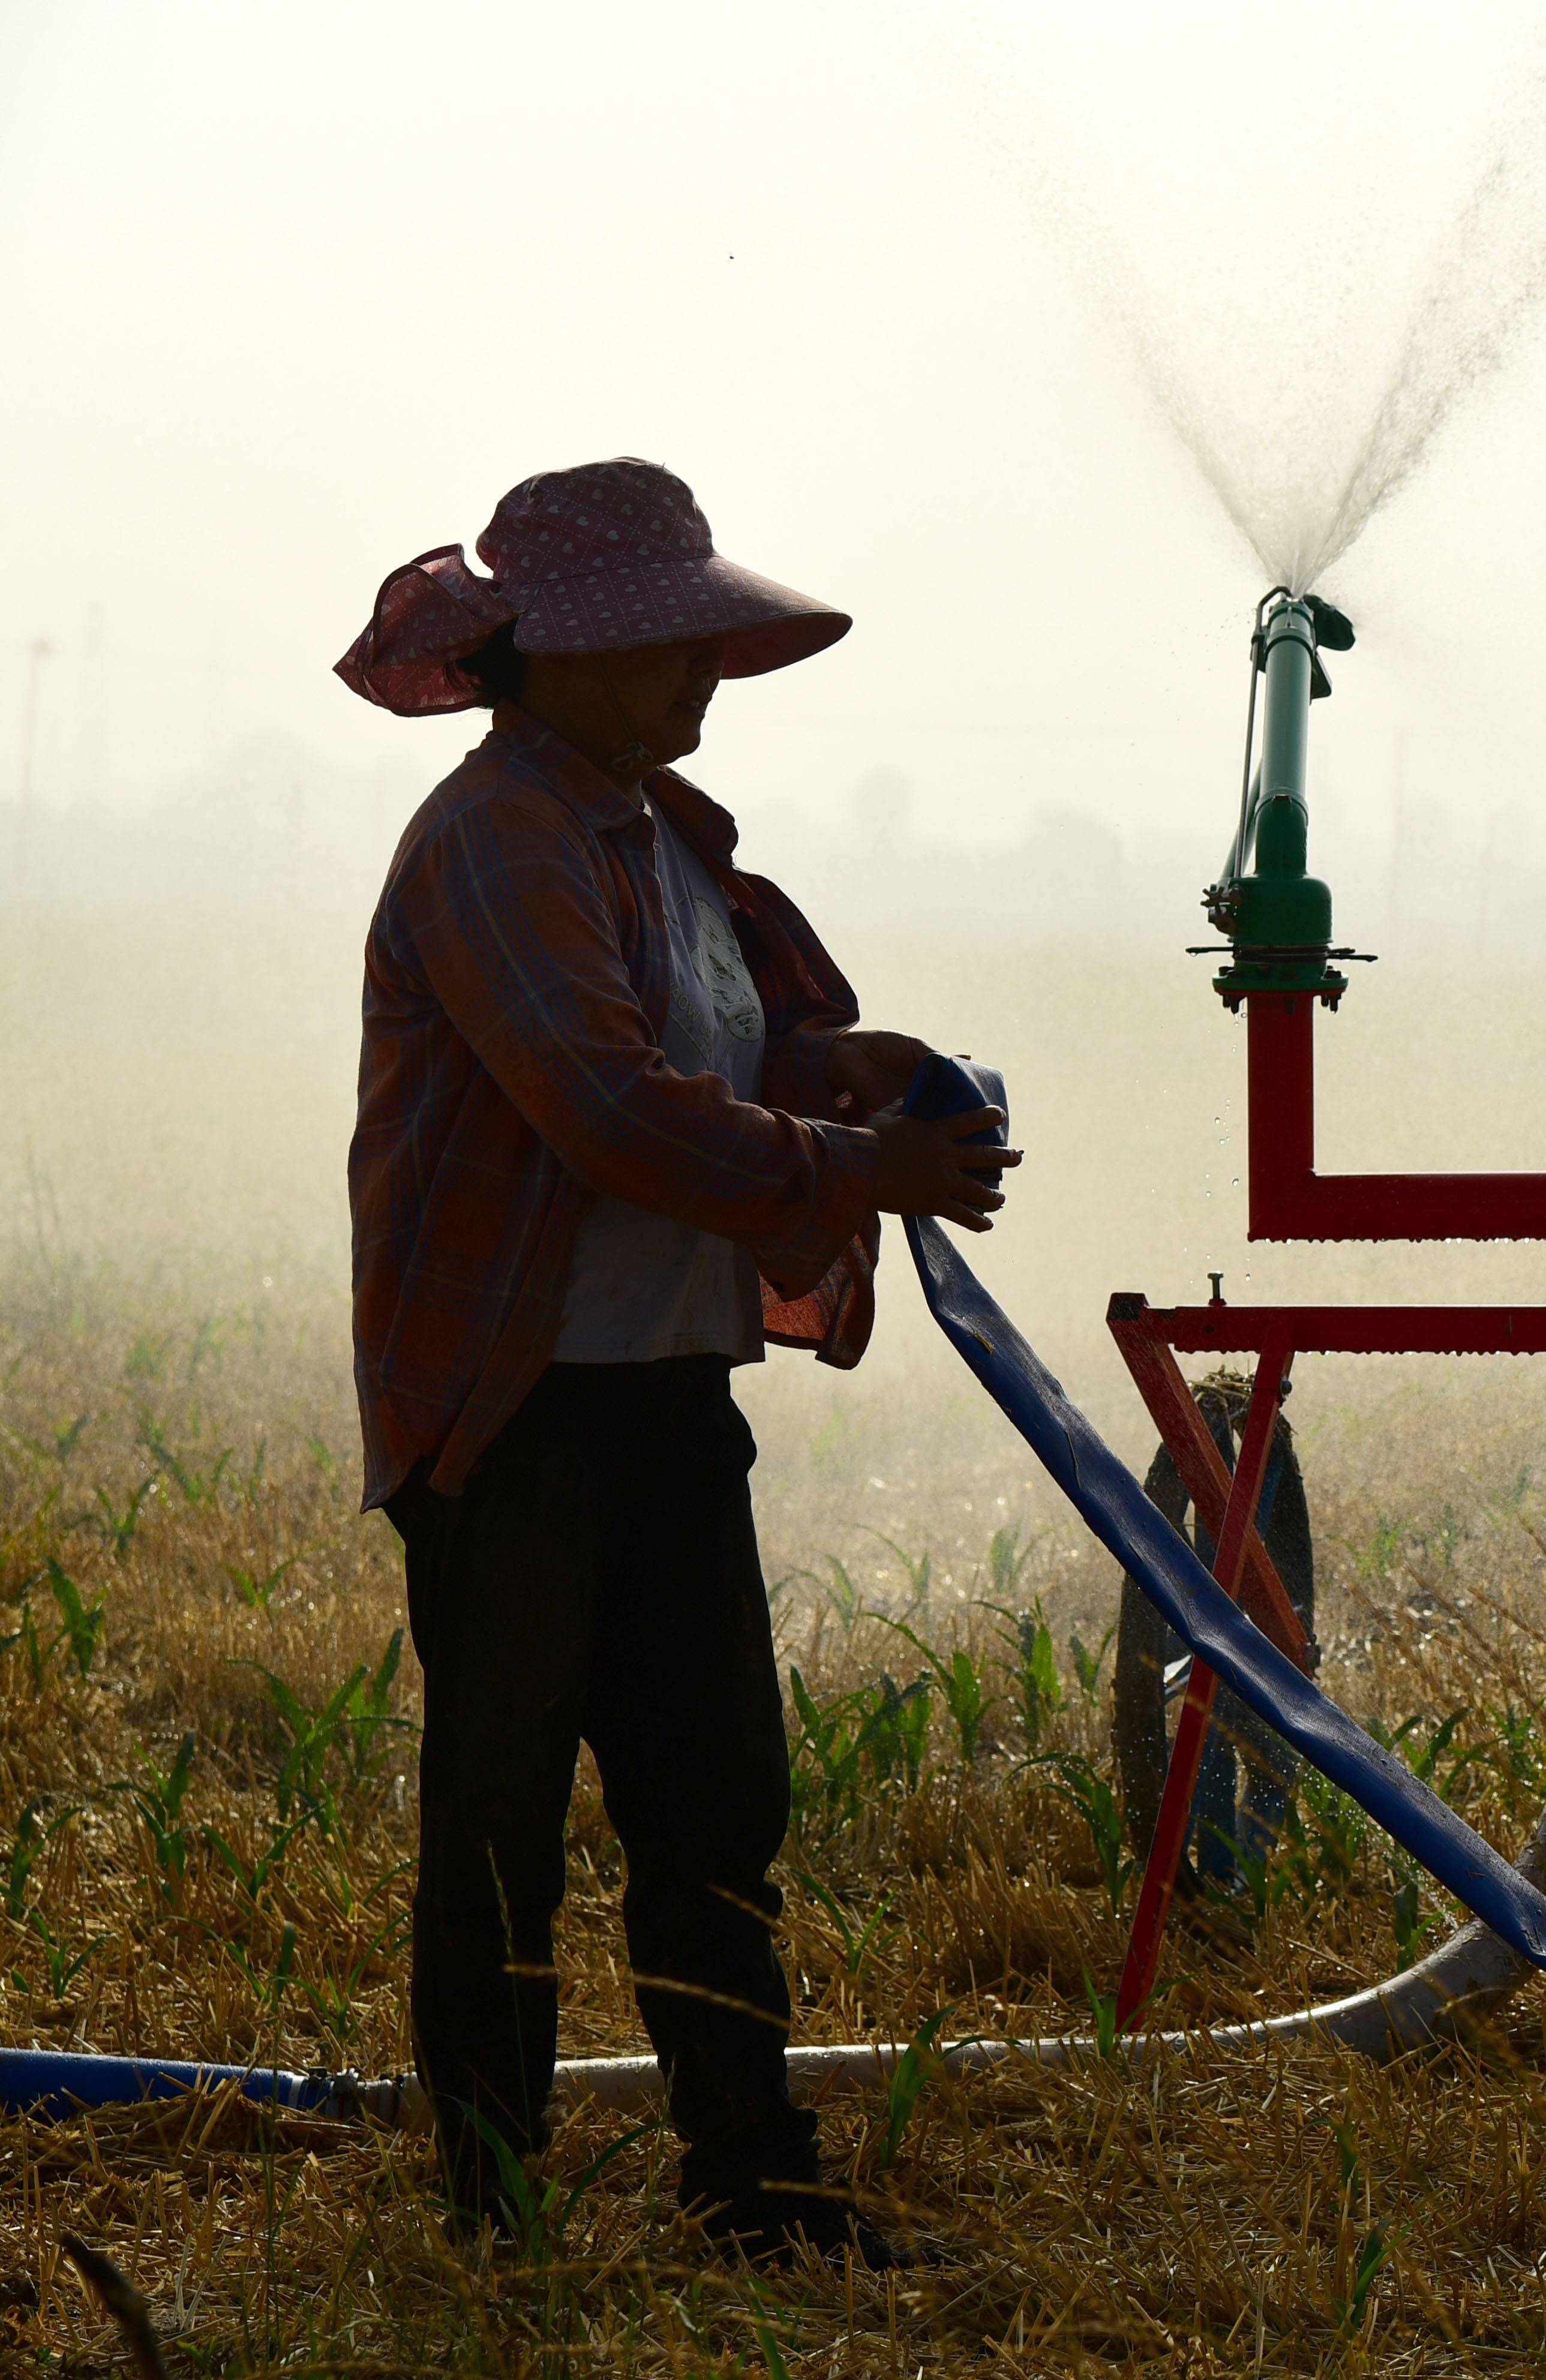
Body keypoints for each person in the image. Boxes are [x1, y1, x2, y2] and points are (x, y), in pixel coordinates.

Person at [335, 458, 1017, 2262]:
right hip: (523, 1406)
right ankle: (494, 2223)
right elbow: (614, 1111)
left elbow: (710, 1072)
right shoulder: (496, 843)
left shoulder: (655, 844)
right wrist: (857, 1167)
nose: (702, 670)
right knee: (501, 1825)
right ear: (552, 655)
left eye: (703, 634)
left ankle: (757, 2186)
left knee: (714, 1805)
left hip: (665, 1389)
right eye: (664, 639)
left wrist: (835, 1070)